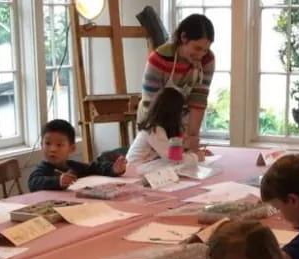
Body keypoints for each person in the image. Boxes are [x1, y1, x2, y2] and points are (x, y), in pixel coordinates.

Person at [138, 13, 215, 152]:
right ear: (183, 38)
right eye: (197, 48)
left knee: (182, 161)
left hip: (182, 119)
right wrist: (166, 142)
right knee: (159, 162)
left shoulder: (207, 60)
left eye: (206, 49)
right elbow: (151, 105)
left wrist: (192, 142)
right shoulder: (158, 59)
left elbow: (198, 102)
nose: (201, 55)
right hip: (154, 121)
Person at [28, 119, 126, 192]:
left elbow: (94, 167)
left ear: (72, 148)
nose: (52, 149)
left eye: (59, 145)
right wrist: (58, 181)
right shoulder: (42, 169)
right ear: (41, 145)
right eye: (48, 143)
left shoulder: (73, 166)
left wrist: (114, 169)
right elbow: (33, 182)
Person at [127, 88, 203, 166]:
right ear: (172, 112)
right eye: (181, 111)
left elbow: (172, 153)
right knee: (170, 166)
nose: (182, 115)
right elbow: (173, 159)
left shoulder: (160, 129)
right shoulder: (154, 130)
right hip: (134, 170)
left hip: (143, 166)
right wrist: (196, 157)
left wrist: (186, 147)